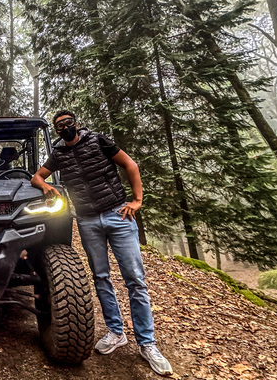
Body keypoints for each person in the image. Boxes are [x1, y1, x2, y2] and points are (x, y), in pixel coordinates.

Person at [31, 110, 173, 376]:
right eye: (59, 126)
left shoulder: (98, 141)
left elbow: (130, 165)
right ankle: (116, 332)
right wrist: (46, 187)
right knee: (101, 277)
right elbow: (37, 176)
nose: (65, 128)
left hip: (118, 214)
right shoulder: (59, 153)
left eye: (68, 123)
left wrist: (137, 201)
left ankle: (147, 343)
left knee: (135, 279)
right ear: (56, 130)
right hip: (86, 221)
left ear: (77, 123)